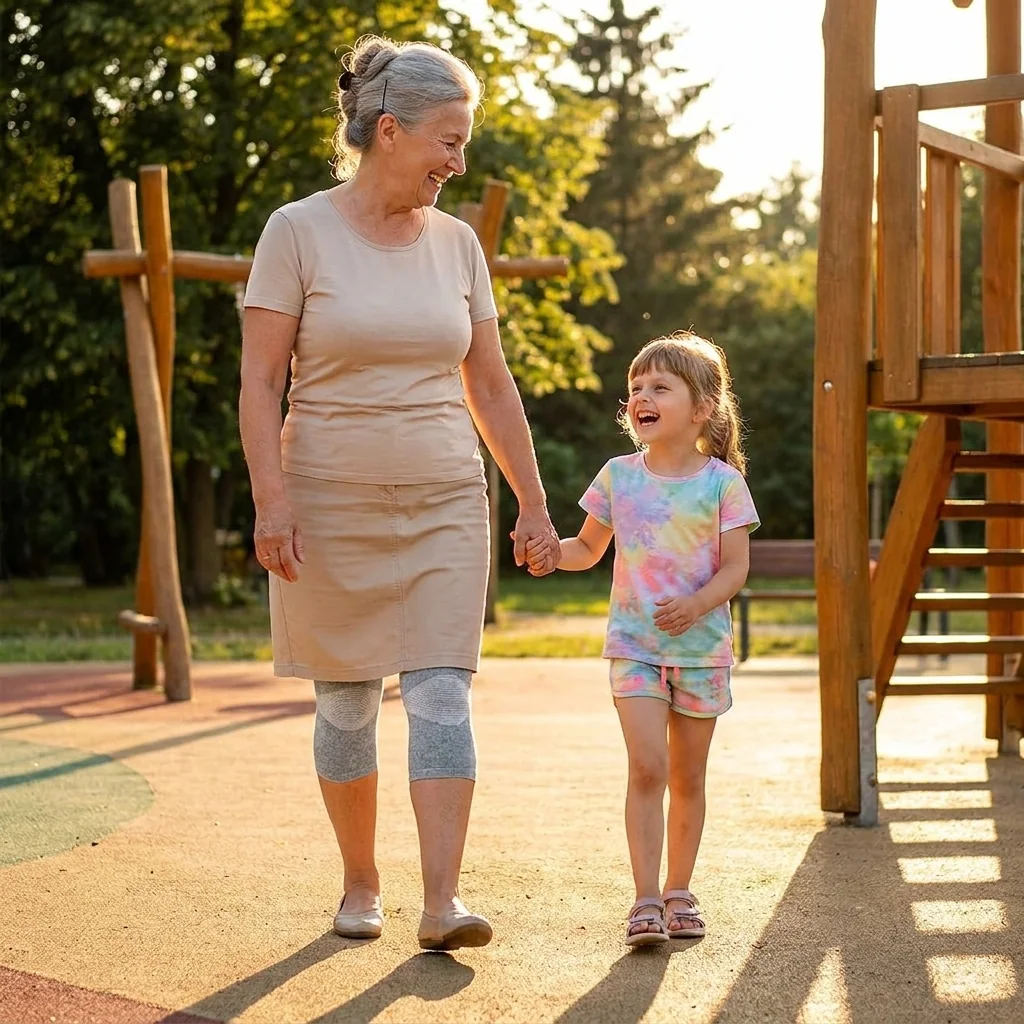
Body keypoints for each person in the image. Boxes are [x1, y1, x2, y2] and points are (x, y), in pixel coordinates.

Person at [239, 34, 560, 951]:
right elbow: (261, 383)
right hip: (327, 498)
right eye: (448, 143)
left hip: (447, 500)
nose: (458, 164)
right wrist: (271, 499)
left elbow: (490, 384)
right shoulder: (296, 231)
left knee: (442, 693)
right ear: (389, 131)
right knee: (344, 700)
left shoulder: (458, 245)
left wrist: (531, 504)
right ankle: (360, 882)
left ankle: (443, 901)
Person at [526, 332, 759, 946]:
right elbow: (586, 548)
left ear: (702, 407)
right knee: (648, 767)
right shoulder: (617, 478)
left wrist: (696, 604)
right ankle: (646, 900)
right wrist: (553, 555)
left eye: (660, 387)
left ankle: (680, 892)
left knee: (688, 778)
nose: (642, 397)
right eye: (635, 389)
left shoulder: (723, 484)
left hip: (702, 652)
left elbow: (735, 569)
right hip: (633, 648)